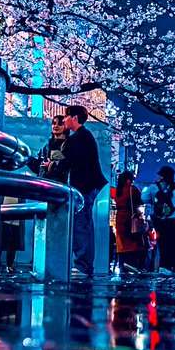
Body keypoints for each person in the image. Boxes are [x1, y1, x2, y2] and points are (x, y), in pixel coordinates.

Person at [57, 105, 108, 277]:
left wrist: (52, 165)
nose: (64, 120)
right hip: (88, 186)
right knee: (83, 224)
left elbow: (68, 161)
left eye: (66, 117)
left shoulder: (78, 138)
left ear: (75, 118)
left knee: (81, 225)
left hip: (84, 187)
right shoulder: (84, 136)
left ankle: (83, 266)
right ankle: (83, 265)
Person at [140, 166, 175, 273]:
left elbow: (143, 198)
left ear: (161, 176)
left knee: (162, 246)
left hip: (159, 222)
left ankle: (164, 267)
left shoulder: (154, 187)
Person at [111, 170, 147, 272]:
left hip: (119, 218)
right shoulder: (132, 189)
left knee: (122, 241)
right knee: (134, 240)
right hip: (130, 217)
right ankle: (133, 264)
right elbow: (141, 200)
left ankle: (123, 264)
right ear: (128, 179)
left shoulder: (117, 191)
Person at [37, 114, 67, 178]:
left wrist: (51, 165)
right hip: (44, 183)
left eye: (60, 124)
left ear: (65, 126)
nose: (56, 126)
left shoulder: (68, 145)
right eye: (54, 123)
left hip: (59, 185)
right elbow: (38, 168)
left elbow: (63, 166)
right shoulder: (46, 146)